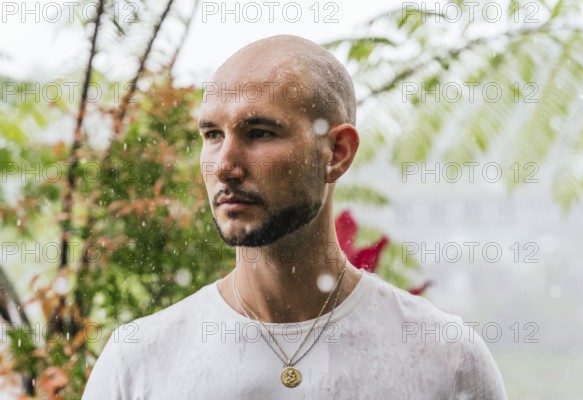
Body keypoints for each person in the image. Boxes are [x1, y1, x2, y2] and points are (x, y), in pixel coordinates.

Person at [82, 34, 507, 399]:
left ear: (336, 154)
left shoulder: (444, 358)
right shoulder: (138, 361)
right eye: (212, 134)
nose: (224, 165)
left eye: (259, 133)